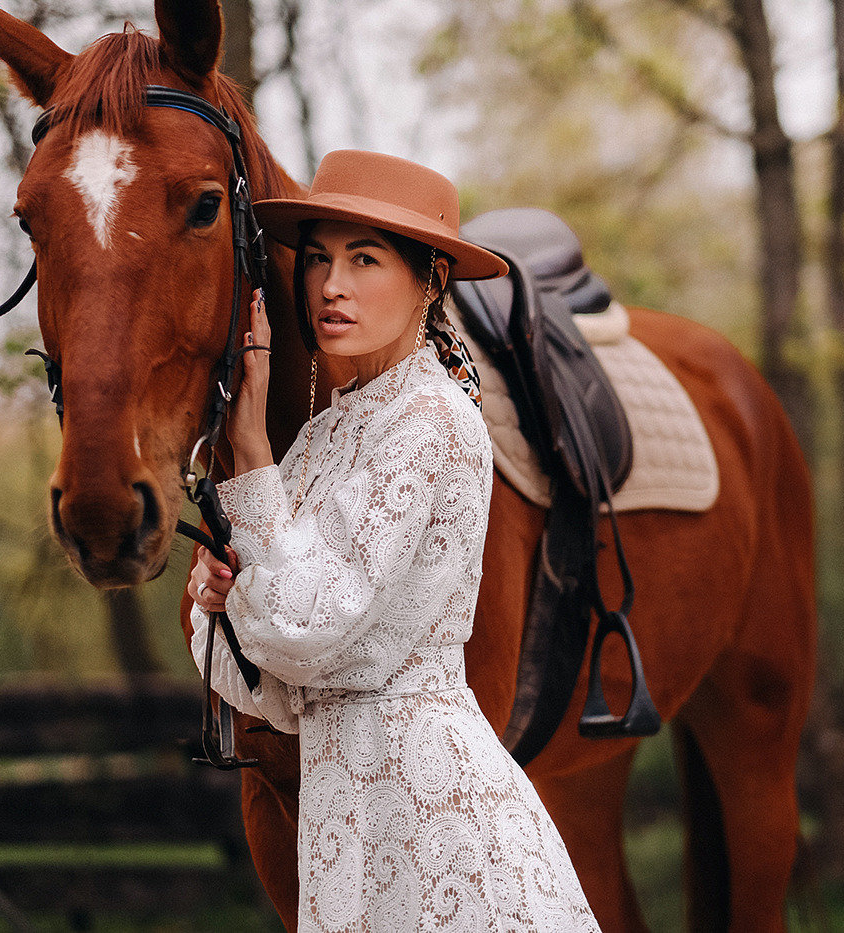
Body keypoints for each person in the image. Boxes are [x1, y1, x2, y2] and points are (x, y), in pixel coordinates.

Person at [187, 150, 601, 932]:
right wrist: (221, 598)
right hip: (345, 813)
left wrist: (248, 458)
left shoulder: (433, 421)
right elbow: (272, 687)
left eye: (363, 259)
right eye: (317, 259)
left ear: (431, 278)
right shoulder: (321, 438)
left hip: (431, 810)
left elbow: (304, 632)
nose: (330, 285)